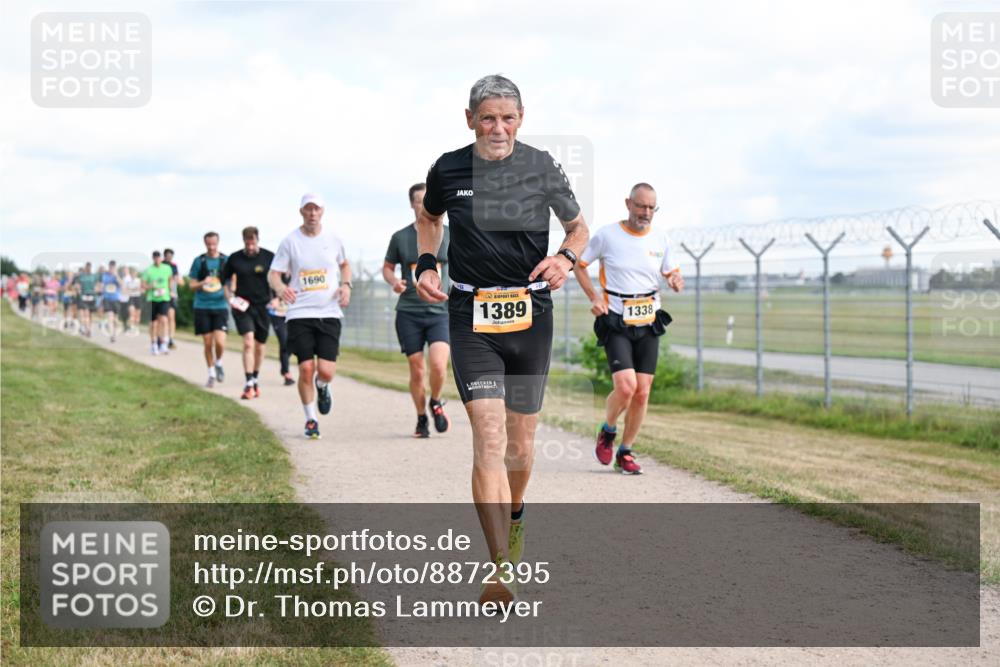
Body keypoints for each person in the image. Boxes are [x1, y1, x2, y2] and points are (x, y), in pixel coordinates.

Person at [414, 75, 588, 605]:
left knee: (520, 444)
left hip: (531, 311)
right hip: (470, 315)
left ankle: (516, 517)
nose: (497, 128)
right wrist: (425, 262)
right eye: (487, 117)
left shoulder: (541, 166)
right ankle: (498, 568)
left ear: (521, 119)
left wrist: (565, 257)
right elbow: (430, 216)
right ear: (469, 119)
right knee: (488, 436)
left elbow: (578, 227)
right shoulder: (448, 168)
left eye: (507, 118)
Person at [573, 183, 684, 475]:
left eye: (651, 208)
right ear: (628, 203)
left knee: (643, 392)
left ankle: (626, 451)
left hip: (648, 318)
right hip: (617, 317)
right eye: (641, 206)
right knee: (626, 386)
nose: (646, 213)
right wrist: (595, 297)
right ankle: (608, 430)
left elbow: (671, 270)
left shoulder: (661, 238)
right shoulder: (608, 235)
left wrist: (675, 280)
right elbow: (580, 265)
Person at [269, 193, 351, 440]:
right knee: (305, 368)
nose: (312, 213)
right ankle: (311, 419)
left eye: (316, 209)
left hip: (329, 311)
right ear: (301, 212)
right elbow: (274, 274)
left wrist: (346, 285)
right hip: (299, 313)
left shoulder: (334, 239)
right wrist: (281, 288)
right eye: (308, 209)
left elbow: (345, 264)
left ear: (322, 211)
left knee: (325, 371)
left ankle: (323, 386)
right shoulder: (290, 242)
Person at [383, 182, 451, 438]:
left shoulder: (449, 233)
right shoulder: (401, 237)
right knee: (417, 368)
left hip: (440, 310)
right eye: (420, 200)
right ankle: (422, 418)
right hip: (409, 311)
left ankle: (436, 400)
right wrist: (394, 282)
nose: (424, 204)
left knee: (438, 366)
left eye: (429, 199)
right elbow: (388, 267)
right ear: (412, 204)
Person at [222, 226, 275, 399]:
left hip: (263, 306)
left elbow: (278, 278)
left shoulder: (269, 257)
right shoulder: (235, 258)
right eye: (247, 243)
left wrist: (276, 298)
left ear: (257, 239)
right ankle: (248, 382)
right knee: (248, 342)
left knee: (260, 346)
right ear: (243, 241)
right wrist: (229, 297)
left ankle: (255, 378)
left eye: (253, 242)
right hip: (243, 306)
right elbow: (225, 280)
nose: (250, 247)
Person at [188, 233, 229, 387]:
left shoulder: (226, 260)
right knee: (207, 343)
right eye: (208, 245)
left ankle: (218, 362)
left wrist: (231, 295)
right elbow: (191, 285)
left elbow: (232, 281)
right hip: (202, 306)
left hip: (220, 306)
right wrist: (202, 283)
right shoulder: (199, 261)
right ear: (205, 244)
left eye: (214, 244)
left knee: (220, 342)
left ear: (218, 242)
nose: (211, 247)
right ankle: (211, 373)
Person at [141, 251, 173, 355]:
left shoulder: (167, 268)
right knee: (154, 324)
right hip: (152, 299)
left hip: (164, 297)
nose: (157, 260)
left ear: (161, 258)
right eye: (155, 258)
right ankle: (153, 344)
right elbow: (143, 286)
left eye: (158, 258)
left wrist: (170, 290)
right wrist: (151, 286)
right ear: (153, 259)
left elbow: (170, 281)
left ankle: (163, 343)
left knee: (164, 320)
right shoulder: (148, 270)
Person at [267, 273, 295, 386]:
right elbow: (266, 291)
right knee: (284, 342)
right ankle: (287, 373)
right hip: (277, 314)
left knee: (293, 343)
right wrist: (271, 300)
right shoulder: (274, 275)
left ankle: (284, 367)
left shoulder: (296, 274)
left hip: (293, 314)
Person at [73, 262, 99, 337]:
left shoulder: (94, 276)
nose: (88, 269)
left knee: (89, 315)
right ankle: (86, 329)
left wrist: (97, 289)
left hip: (91, 296)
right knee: (84, 313)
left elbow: (97, 285)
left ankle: (88, 328)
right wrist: (77, 288)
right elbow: (77, 285)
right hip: (83, 296)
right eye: (87, 267)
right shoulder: (81, 276)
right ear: (85, 268)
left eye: (89, 268)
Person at [99, 260, 123, 343]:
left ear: (115, 268)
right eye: (110, 267)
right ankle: (112, 335)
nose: (111, 269)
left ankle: (115, 334)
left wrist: (116, 276)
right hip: (107, 299)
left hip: (116, 299)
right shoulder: (104, 275)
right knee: (110, 316)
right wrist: (101, 290)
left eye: (113, 267)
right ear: (109, 267)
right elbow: (102, 285)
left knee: (115, 319)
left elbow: (121, 285)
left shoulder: (117, 275)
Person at [163, 248, 180, 349]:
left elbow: (176, 279)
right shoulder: (160, 265)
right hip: (161, 295)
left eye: (171, 256)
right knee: (163, 319)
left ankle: (171, 339)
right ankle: (162, 338)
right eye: (168, 256)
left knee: (171, 317)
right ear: (164, 256)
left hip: (172, 294)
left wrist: (173, 291)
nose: (169, 258)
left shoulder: (174, 266)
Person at [124, 266, 143, 333]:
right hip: (131, 298)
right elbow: (126, 290)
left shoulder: (139, 280)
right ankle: (130, 326)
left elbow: (141, 289)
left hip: (137, 298)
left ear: (136, 274)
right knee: (132, 313)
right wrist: (133, 289)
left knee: (137, 316)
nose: (133, 275)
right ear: (131, 274)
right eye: (132, 273)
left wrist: (139, 289)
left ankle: (136, 327)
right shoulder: (128, 281)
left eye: (135, 273)